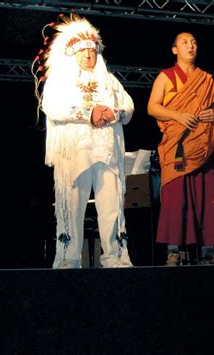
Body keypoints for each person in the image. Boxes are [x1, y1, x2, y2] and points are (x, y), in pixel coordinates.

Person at [32, 14, 135, 268]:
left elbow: (129, 108)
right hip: (75, 152)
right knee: (72, 208)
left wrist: (115, 113)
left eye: (92, 50)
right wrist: (88, 113)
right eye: (83, 51)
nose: (88, 55)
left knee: (111, 207)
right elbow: (52, 106)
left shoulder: (110, 81)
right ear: (73, 54)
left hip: (107, 152)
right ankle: (68, 259)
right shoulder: (61, 79)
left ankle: (116, 258)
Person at [147, 32, 214, 265]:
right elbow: (152, 107)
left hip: (204, 148)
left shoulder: (206, 79)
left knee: (208, 198)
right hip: (177, 149)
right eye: (185, 43)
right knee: (176, 201)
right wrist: (177, 115)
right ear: (175, 50)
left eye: (194, 42)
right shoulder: (166, 77)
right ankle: (174, 251)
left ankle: (210, 252)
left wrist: (213, 114)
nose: (191, 46)